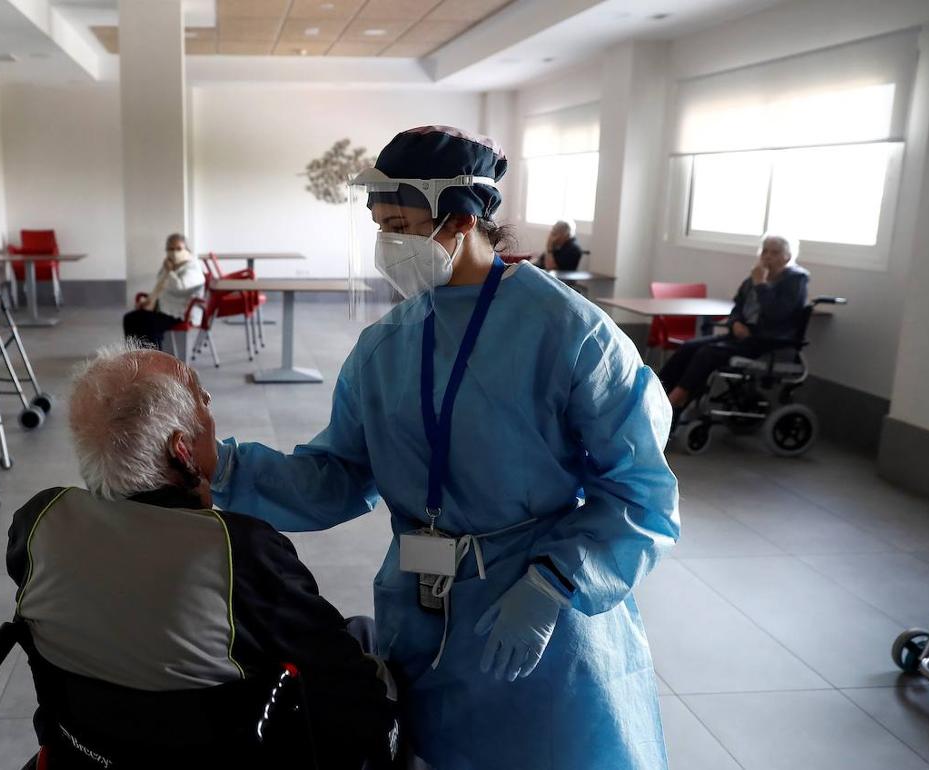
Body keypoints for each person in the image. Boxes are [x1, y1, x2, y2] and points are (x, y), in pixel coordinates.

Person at [212, 127, 679, 769]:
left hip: (541, 618)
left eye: (401, 224)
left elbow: (640, 495)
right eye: (380, 226)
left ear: (461, 221)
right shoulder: (386, 346)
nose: (388, 244)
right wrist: (225, 468)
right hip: (420, 610)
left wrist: (554, 585)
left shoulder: (570, 335)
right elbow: (340, 477)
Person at [7, 343, 397, 765]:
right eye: (202, 398)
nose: (210, 409)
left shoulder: (38, 523)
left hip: (83, 751)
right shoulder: (238, 552)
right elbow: (352, 696)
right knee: (365, 638)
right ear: (181, 449)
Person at [659, 234, 810, 427]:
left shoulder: (795, 280)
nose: (767, 256)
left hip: (766, 341)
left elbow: (777, 313)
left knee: (707, 353)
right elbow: (737, 307)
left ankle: (675, 400)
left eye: (775, 253)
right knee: (689, 346)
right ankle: (656, 394)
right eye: (764, 251)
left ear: (787, 257)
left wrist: (761, 284)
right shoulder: (753, 278)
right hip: (740, 336)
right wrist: (735, 323)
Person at [122, 233, 205, 348]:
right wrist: (149, 300)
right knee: (130, 318)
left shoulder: (193, 267)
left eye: (179, 249)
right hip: (163, 308)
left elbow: (180, 287)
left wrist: (170, 271)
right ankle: (136, 355)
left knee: (148, 323)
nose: (174, 252)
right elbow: (160, 286)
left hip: (180, 312)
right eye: (170, 249)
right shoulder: (170, 264)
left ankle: (155, 359)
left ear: (187, 249)